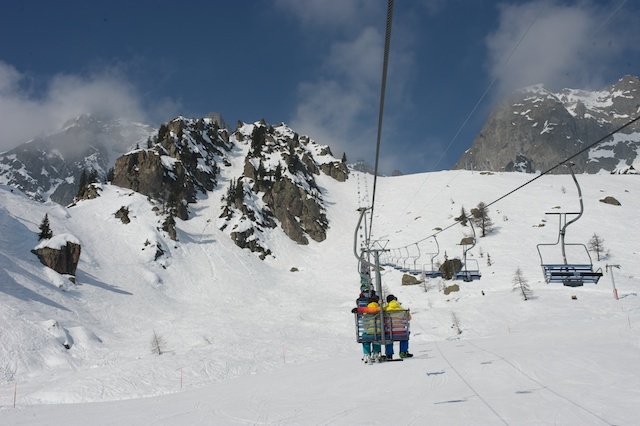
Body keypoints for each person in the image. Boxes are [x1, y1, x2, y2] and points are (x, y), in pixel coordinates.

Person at [352, 296, 383, 363]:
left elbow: (364, 324)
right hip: (379, 333)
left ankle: (367, 354)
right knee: (376, 337)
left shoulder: (366, 311)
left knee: (366, 337)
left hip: (369, 332)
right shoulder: (380, 310)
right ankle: (376, 353)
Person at [383, 294, 413, 359]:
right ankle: (403, 352)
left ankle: (389, 354)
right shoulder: (401, 309)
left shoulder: (385, 310)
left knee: (388, 338)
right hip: (401, 332)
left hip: (389, 332)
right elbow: (409, 318)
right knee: (405, 335)